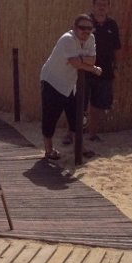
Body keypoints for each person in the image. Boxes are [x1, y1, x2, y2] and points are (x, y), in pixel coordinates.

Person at [40, 14, 102, 160]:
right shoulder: (67, 39)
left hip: (69, 84)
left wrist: (82, 60)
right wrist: (93, 69)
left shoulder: (91, 39)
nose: (86, 31)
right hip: (52, 81)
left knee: (76, 116)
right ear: (74, 28)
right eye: (82, 27)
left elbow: (92, 59)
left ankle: (79, 147)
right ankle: (49, 149)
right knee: (51, 116)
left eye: (89, 28)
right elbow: (76, 64)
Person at [85, 0, 121, 141]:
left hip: (104, 70)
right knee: (77, 102)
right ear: (93, 6)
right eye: (99, 5)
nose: (101, 8)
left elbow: (116, 48)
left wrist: (116, 66)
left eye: (104, 5)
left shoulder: (112, 25)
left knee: (97, 104)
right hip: (85, 68)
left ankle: (92, 134)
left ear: (108, 7)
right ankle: (70, 134)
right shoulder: (85, 22)